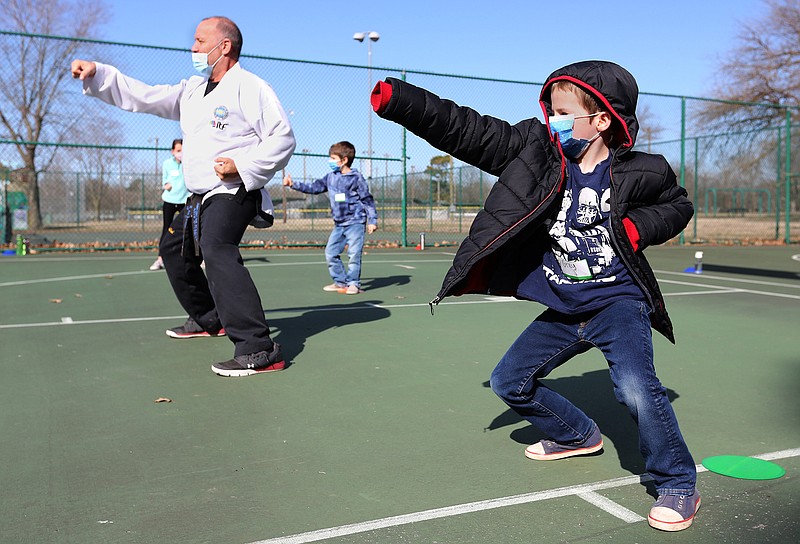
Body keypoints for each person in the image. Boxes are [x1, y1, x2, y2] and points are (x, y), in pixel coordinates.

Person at [372, 60, 699, 531]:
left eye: (565, 111)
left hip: (617, 302)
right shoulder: (536, 153)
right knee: (509, 381)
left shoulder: (643, 170)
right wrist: (400, 101)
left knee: (635, 390)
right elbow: (469, 130)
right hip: (566, 305)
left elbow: (678, 203)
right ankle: (577, 435)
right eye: (551, 110)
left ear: (602, 119)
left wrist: (635, 226)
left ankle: (678, 482)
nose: (554, 120)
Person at [72, 16, 296, 377]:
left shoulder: (251, 87)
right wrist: (98, 73)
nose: (192, 47)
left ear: (224, 46)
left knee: (217, 247)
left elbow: (282, 137)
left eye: (199, 40)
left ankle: (258, 348)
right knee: (173, 249)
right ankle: (209, 319)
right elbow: (143, 96)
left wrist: (240, 165)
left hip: (234, 189)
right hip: (199, 196)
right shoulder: (192, 90)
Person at [282, 142, 378, 294]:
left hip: (355, 222)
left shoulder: (356, 178)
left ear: (344, 160)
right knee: (330, 252)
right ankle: (340, 282)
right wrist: (293, 184)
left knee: (354, 254)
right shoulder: (330, 177)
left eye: (333, 158)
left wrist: (372, 221)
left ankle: (353, 283)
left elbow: (367, 199)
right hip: (339, 224)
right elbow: (313, 188)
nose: (330, 161)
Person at [150, 138, 190, 271]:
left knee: (189, 230)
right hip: (169, 201)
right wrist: (166, 185)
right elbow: (165, 180)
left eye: (183, 150)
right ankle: (160, 259)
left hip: (185, 201)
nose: (181, 153)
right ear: (173, 151)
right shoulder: (167, 163)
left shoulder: (189, 163)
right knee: (166, 229)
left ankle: (194, 258)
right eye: (178, 150)